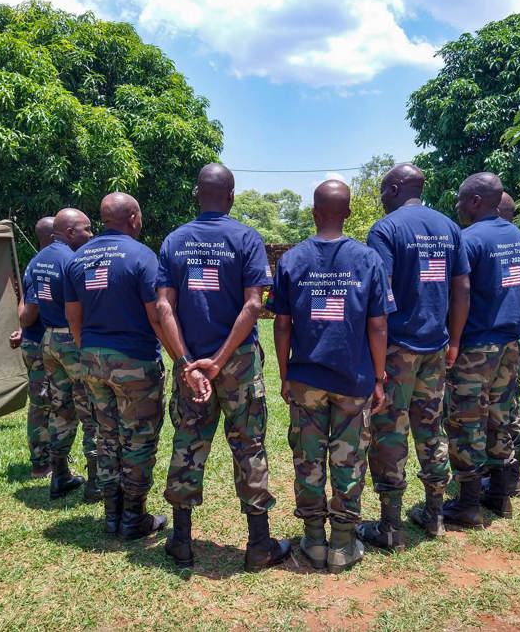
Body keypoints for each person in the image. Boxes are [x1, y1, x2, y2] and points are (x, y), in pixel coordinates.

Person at [157, 163, 291, 571]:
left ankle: (181, 542)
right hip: (238, 364)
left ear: (197, 193)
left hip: (191, 364)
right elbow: (255, 304)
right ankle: (259, 544)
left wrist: (187, 364)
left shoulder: (175, 241)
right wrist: (220, 360)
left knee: (188, 443)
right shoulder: (246, 238)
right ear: (231, 197)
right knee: (248, 445)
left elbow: (164, 306)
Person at [272, 180, 394, 573]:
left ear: (313, 212)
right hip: (353, 381)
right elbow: (377, 327)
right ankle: (342, 545)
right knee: (349, 460)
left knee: (308, 460)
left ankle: (313, 541)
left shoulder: (292, 259)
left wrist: (284, 373)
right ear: (349, 213)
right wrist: (379, 377)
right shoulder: (368, 259)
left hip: (305, 380)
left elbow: (282, 325)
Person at [357, 164, 470, 550]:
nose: (380, 198)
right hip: (436, 348)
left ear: (392, 189)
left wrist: (375, 364)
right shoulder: (449, 227)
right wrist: (453, 341)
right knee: (430, 425)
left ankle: (390, 526)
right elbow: (462, 288)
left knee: (389, 431)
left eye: (382, 191)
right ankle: (435, 514)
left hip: (396, 349)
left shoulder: (385, 230)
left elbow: (380, 299)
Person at [64, 193, 171, 541]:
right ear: (135, 218)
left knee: (107, 436)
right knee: (138, 439)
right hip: (135, 362)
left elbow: (73, 318)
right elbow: (157, 315)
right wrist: (178, 357)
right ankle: (133, 518)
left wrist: (90, 354)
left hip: (92, 361)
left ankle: (112, 515)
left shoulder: (78, 259)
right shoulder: (142, 256)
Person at [443, 173, 520, 527]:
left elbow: (461, 293)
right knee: (500, 416)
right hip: (510, 342)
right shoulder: (518, 236)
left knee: (466, 420)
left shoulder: (468, 240)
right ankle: (499, 495)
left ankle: (467, 504)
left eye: (462, 200)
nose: (459, 206)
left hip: (477, 343)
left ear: (477, 201)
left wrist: (452, 336)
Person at [20, 208, 97, 501]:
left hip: (49, 340)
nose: (90, 235)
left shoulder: (37, 261)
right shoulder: (73, 261)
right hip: (72, 338)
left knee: (59, 408)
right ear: (69, 232)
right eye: (86, 230)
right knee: (90, 408)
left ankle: (60, 473)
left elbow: (31, 306)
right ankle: (95, 482)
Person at [485, 192, 520, 497]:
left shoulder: (502, 245)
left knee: (501, 405)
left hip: (504, 336)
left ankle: (506, 477)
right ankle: (510, 476)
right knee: (508, 402)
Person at [10, 217, 55, 478]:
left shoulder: (34, 264)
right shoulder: (44, 265)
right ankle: (41, 463)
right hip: (39, 344)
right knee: (42, 402)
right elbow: (28, 314)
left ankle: (52, 454)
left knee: (48, 401)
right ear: (52, 236)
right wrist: (25, 326)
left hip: (35, 340)